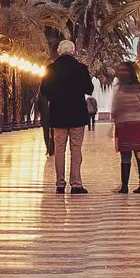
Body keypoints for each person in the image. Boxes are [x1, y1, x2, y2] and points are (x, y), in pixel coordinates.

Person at [40, 39, 95, 194]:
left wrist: (56, 96)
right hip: (77, 114)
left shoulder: (50, 68)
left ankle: (60, 184)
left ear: (59, 51)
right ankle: (76, 184)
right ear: (72, 51)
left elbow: (44, 90)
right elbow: (89, 89)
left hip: (58, 115)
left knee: (59, 150)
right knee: (76, 150)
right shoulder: (81, 68)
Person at [113, 63, 140, 193]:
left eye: (124, 70)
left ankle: (136, 184)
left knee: (134, 154)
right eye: (121, 70)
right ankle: (129, 184)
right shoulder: (138, 86)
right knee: (128, 155)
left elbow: (117, 105)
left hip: (129, 124)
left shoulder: (125, 87)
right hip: (130, 124)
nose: (122, 72)